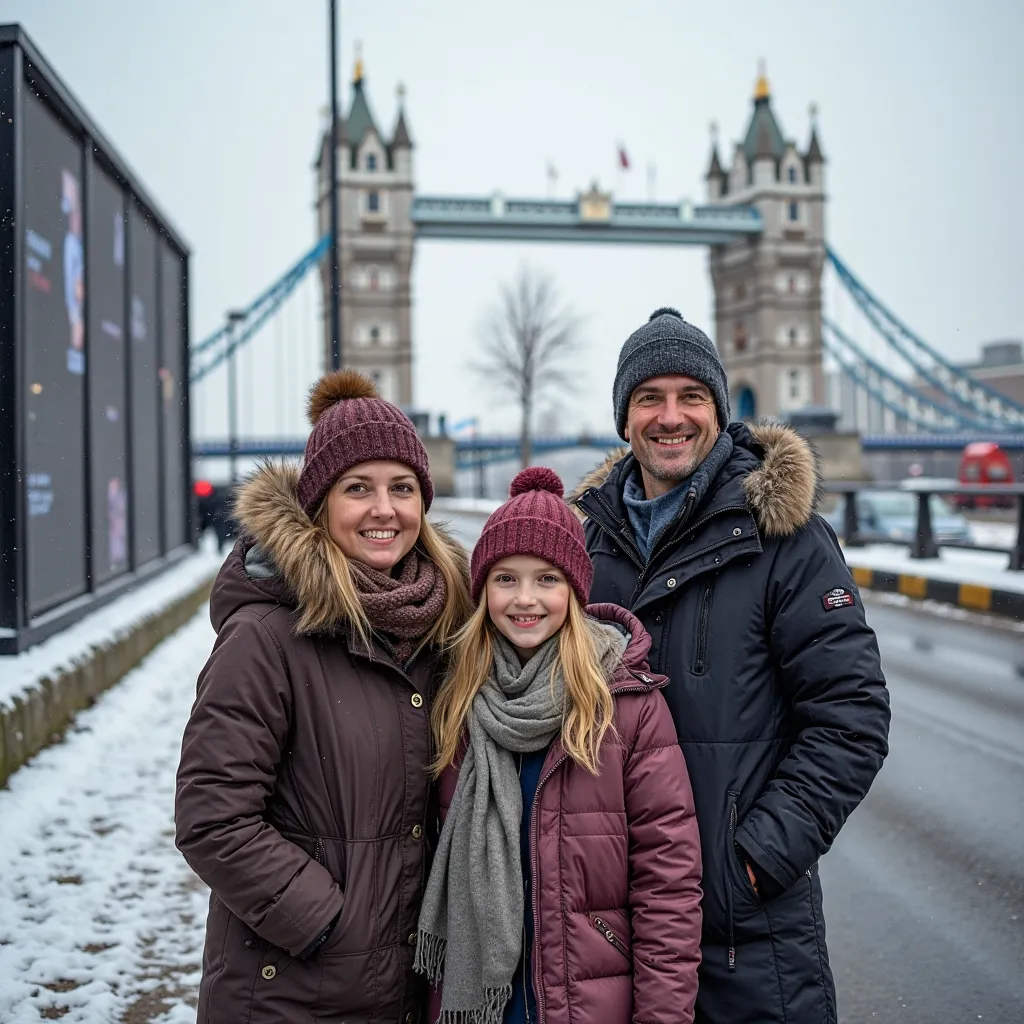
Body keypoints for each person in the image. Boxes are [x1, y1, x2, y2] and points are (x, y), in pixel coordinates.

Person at [570, 308, 891, 1024]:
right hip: (607, 928)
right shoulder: (582, 551)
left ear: (720, 409)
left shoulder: (787, 539)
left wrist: (748, 864)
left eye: (692, 397)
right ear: (625, 418)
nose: (671, 416)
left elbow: (852, 720)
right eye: (649, 397)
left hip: (745, 934)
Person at [175, 370, 473, 1023]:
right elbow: (212, 817)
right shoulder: (265, 638)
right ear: (319, 503)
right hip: (289, 988)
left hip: (403, 985)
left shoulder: (444, 624)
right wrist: (328, 923)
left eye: (402, 488)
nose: (383, 509)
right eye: (357, 488)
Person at [417, 466, 703, 1024]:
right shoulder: (455, 701)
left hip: (586, 1002)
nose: (525, 599)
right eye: (506, 579)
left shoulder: (627, 706)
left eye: (547, 579)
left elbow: (668, 886)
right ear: (482, 591)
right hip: (475, 1006)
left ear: (574, 590)